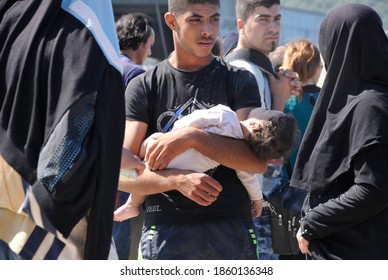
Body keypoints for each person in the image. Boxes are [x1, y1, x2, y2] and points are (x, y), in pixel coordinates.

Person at [120, 0, 269, 260]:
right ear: (171, 21)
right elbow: (122, 175)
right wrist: (178, 180)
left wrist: (192, 137)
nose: (208, 31)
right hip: (166, 230)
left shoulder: (238, 79)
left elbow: (255, 161)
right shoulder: (144, 85)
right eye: (196, 19)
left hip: (232, 229)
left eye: (214, 19)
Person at [0, 0, 124, 259]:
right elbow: (77, 124)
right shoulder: (87, 27)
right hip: (47, 227)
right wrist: (51, 201)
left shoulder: (11, 13)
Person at [293, 3, 388, 260]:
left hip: (357, 251)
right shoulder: (374, 98)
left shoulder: (369, 105)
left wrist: (313, 222)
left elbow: (374, 189)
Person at [114, 104, 297, 221]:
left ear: (256, 124)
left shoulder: (227, 116)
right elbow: (248, 178)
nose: (263, 107)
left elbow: (196, 119)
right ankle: (133, 205)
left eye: (266, 110)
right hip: (183, 166)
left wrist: (176, 134)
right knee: (148, 167)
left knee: (145, 158)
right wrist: (257, 200)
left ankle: (132, 204)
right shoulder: (240, 152)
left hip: (168, 148)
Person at [224, 0, 299, 260]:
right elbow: (252, 146)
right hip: (249, 203)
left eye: (277, 19)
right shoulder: (246, 71)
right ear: (242, 25)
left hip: (252, 200)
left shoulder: (257, 69)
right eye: (263, 19)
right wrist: (279, 102)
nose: (273, 28)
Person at [112, 12, 155, 260]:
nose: (149, 52)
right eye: (149, 46)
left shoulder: (103, 64)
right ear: (140, 42)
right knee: (120, 248)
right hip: (125, 170)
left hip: (96, 167)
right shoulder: (136, 75)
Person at [281, 38, 322, 182]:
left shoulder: (282, 100)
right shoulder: (328, 100)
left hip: (285, 184)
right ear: (316, 67)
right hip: (321, 183)